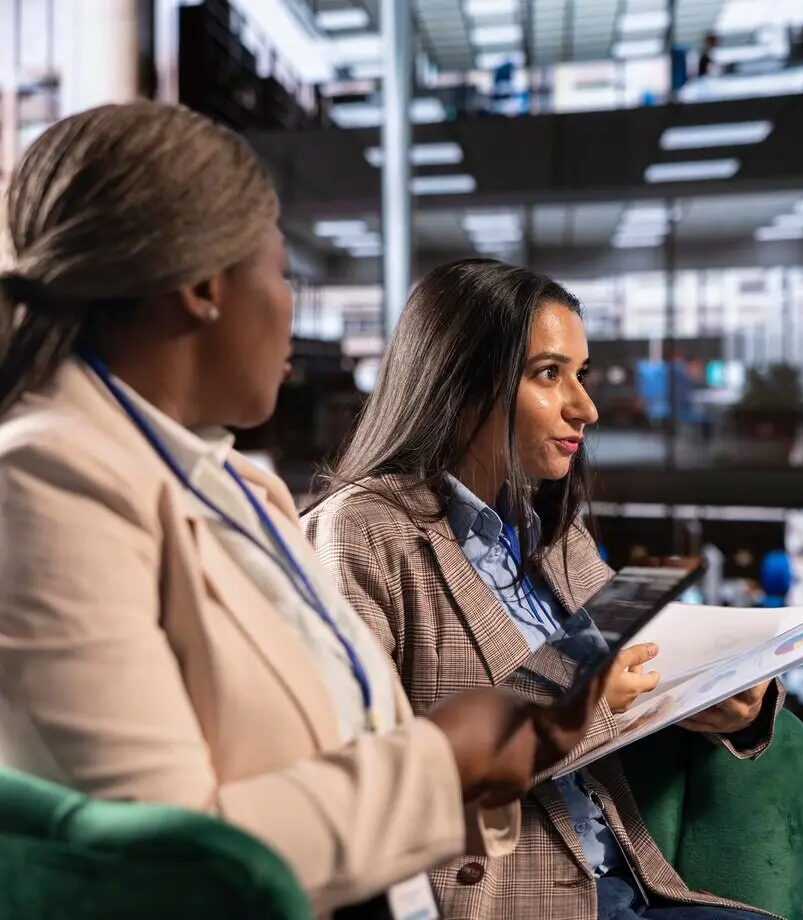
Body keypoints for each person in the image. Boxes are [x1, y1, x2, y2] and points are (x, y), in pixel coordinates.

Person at [0, 102, 607, 918]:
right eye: (282, 272)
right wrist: (446, 758)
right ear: (204, 287)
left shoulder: (233, 483)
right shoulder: (45, 484)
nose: (294, 307)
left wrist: (487, 755)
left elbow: (350, 746)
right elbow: (183, 865)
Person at [305, 259, 783, 920]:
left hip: (626, 886)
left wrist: (737, 693)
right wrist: (588, 706)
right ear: (461, 381)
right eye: (549, 374)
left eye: (579, 375)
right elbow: (379, 778)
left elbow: (651, 656)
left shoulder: (554, 535)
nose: (584, 406)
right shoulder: (360, 535)